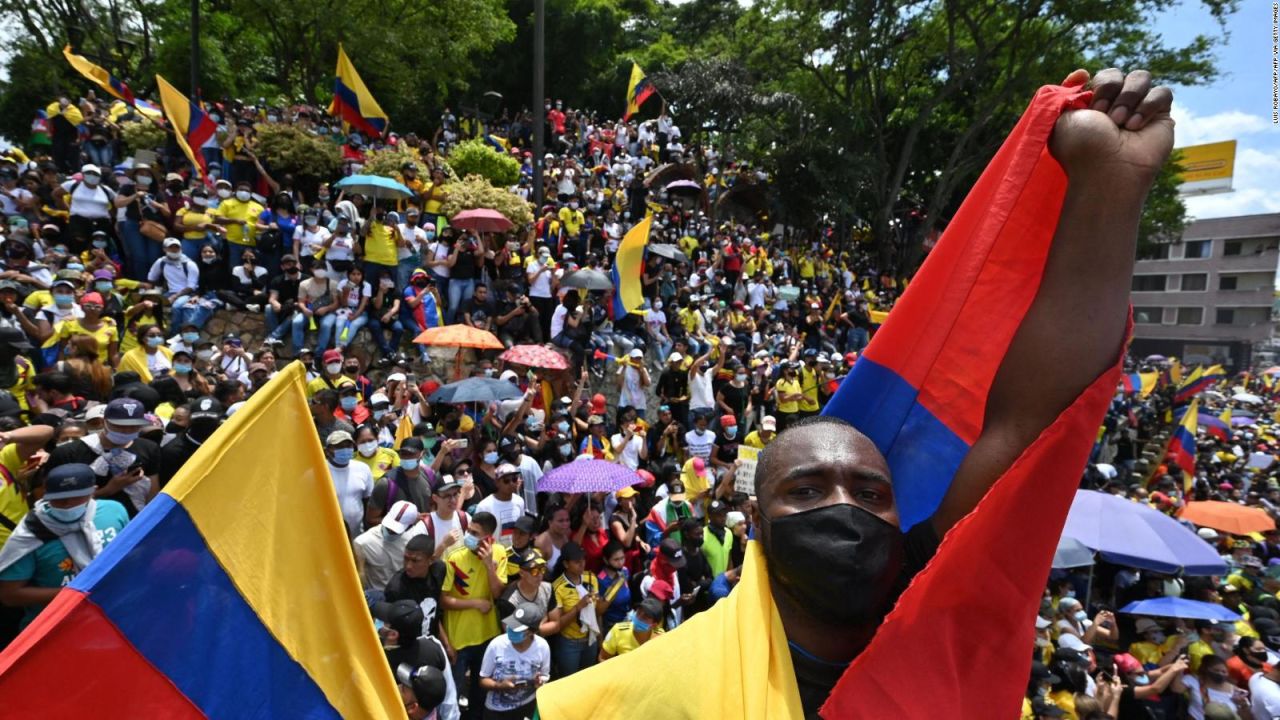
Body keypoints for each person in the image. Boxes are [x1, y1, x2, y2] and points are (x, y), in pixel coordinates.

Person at [0, 463, 129, 627]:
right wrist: (77, 593)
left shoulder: (114, 511)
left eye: (77, 497)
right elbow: (10, 595)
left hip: (111, 619)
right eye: (59, 499)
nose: (68, 504)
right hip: (55, 627)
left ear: (93, 491)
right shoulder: (31, 534)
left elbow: (129, 554)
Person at [441, 511, 509, 720]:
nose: (468, 535)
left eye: (474, 533)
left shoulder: (499, 553)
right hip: (458, 640)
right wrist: (475, 603)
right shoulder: (454, 557)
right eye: (469, 530)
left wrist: (489, 565)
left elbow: (497, 592)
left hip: (487, 638)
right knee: (453, 694)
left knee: (480, 695)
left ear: (488, 537)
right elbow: (443, 600)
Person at [478, 602, 552, 720]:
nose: (511, 630)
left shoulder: (542, 647)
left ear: (532, 632)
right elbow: (483, 680)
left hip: (527, 709)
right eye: (511, 625)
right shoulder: (496, 645)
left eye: (517, 629)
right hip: (497, 712)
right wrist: (499, 686)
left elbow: (544, 676)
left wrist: (539, 683)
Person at [354, 500, 427, 591]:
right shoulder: (362, 543)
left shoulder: (415, 539)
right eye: (389, 527)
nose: (390, 531)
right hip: (378, 598)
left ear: (409, 526)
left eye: (396, 531)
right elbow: (358, 576)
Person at [325, 429, 374, 538]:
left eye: (348, 446)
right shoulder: (318, 472)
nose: (345, 449)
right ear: (328, 450)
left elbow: (368, 500)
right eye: (339, 446)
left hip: (357, 534)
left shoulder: (363, 468)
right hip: (327, 536)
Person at [475, 463, 526, 548]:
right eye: (506, 481)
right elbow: (477, 535)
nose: (511, 484)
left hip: (514, 553)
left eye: (514, 479)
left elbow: (520, 529)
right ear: (496, 483)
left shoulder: (519, 501)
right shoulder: (484, 506)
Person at [598, 597, 665, 662]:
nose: (639, 618)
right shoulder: (618, 631)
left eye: (645, 617)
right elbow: (602, 658)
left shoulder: (661, 637)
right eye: (638, 612)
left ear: (654, 625)